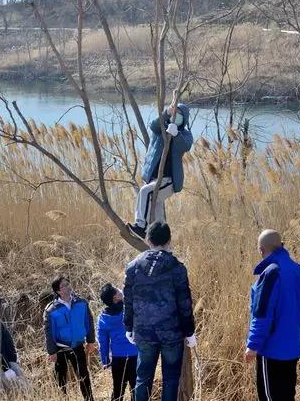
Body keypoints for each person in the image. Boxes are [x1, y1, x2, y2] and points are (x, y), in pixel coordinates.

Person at [123, 222, 197, 401]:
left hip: (144, 332)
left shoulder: (133, 267)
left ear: (148, 240)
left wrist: (128, 327)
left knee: (143, 378)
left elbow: (128, 300)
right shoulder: (177, 268)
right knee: (171, 379)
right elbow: (184, 303)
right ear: (169, 240)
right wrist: (189, 332)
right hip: (171, 333)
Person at [244, 230, 300, 401]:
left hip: (271, 350)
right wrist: (296, 332)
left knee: (269, 397)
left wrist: (253, 345)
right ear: (281, 245)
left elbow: (262, 313)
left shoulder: (271, 272)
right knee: (286, 396)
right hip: (292, 347)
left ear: (261, 250)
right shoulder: (298, 270)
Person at [127, 99, 193, 239]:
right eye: (175, 113)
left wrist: (176, 134)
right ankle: (162, 243)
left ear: (184, 119)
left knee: (145, 191)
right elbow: (153, 125)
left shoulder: (185, 134)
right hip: (153, 178)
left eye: (180, 115)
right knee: (158, 218)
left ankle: (140, 226)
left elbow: (185, 146)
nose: (176, 116)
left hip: (168, 180)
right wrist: (166, 113)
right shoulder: (161, 128)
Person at [43, 276, 96, 400]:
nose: (68, 287)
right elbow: (49, 332)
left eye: (67, 284)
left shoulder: (81, 303)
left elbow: (89, 321)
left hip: (78, 345)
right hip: (60, 348)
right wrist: (52, 351)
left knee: (84, 376)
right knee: (61, 379)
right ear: (58, 291)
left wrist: (91, 341)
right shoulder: (51, 310)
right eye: (64, 285)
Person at [98, 283, 138, 401]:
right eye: (116, 290)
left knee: (118, 391)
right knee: (136, 390)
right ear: (115, 297)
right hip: (135, 354)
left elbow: (103, 342)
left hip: (117, 358)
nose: (120, 290)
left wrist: (105, 360)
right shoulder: (129, 310)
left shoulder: (103, 318)